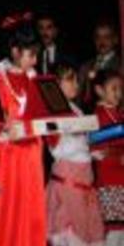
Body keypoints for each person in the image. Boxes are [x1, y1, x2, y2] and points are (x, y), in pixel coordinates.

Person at [0, 20, 46, 246]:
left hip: (31, 159)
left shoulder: (36, 80)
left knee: (31, 211)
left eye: (36, 55)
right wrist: (2, 124)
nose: (34, 60)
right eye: (30, 54)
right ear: (15, 51)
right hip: (7, 159)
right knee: (7, 211)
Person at [45, 64, 105, 246]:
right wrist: (85, 147)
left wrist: (92, 150)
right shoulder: (50, 112)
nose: (76, 85)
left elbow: (82, 142)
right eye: (70, 80)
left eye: (77, 80)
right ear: (55, 84)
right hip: (68, 185)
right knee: (70, 235)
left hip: (84, 182)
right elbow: (57, 150)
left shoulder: (76, 110)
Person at [91, 70, 124, 246]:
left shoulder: (118, 114)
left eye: (120, 88)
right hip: (109, 182)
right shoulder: (97, 117)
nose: (119, 93)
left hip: (121, 181)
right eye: (114, 88)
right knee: (113, 234)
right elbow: (98, 152)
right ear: (99, 90)